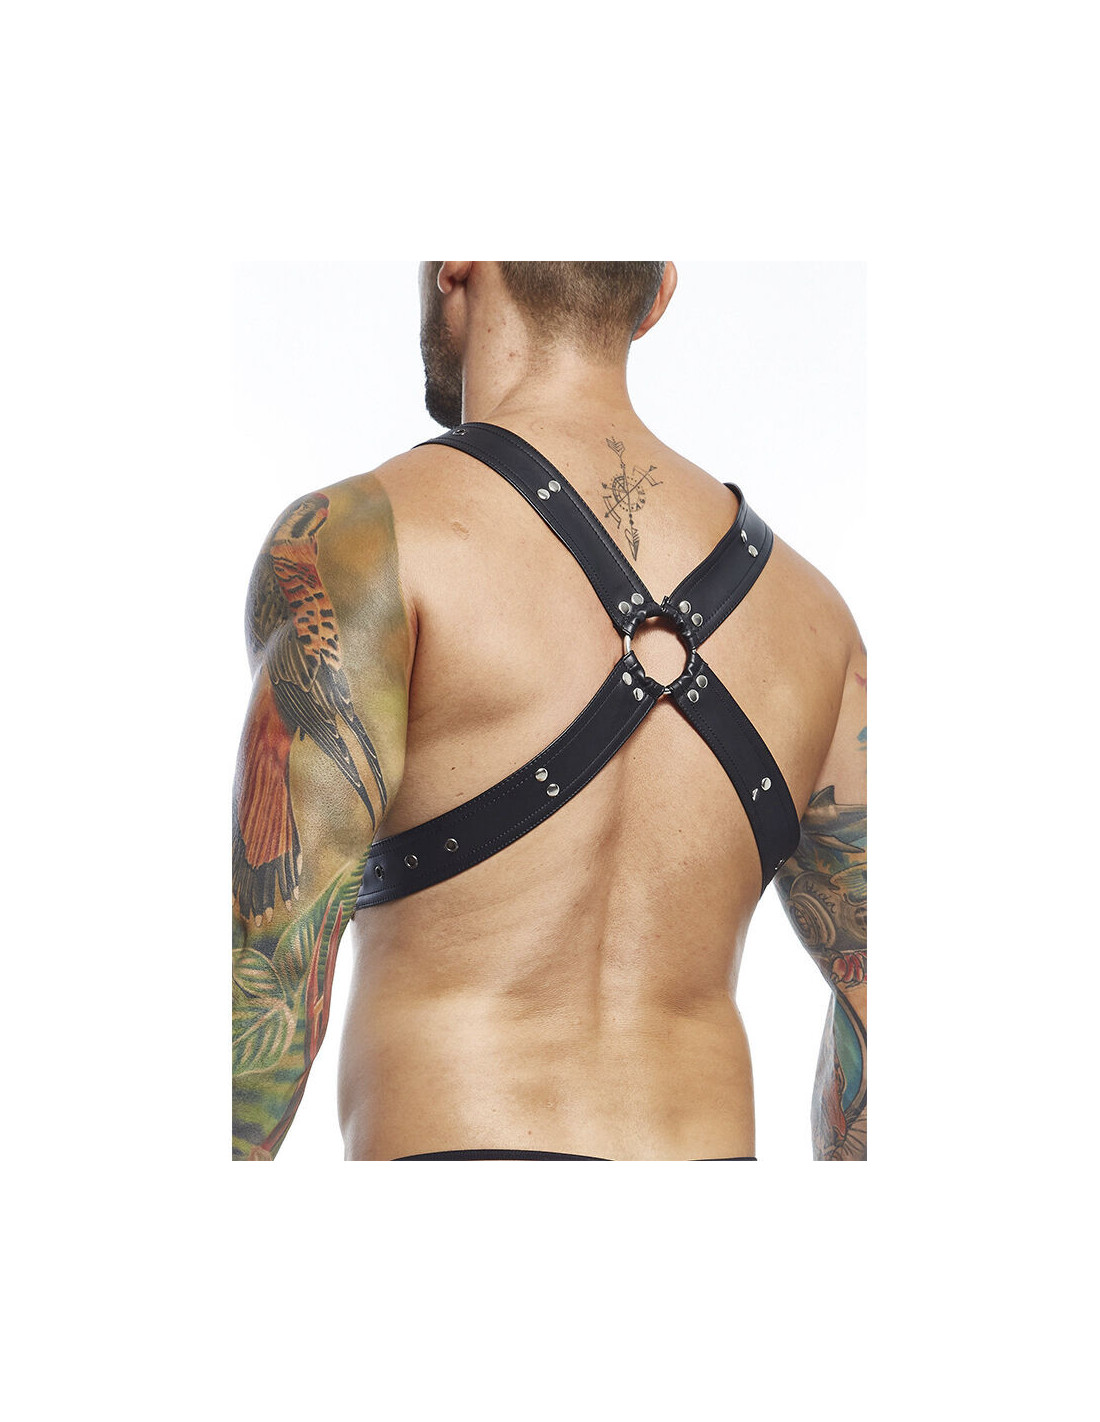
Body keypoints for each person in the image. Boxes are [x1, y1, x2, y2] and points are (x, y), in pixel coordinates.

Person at [231, 261, 867, 1162]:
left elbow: (271, 971)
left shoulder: (363, 538)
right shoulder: (817, 620)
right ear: (658, 294)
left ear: (459, 259)